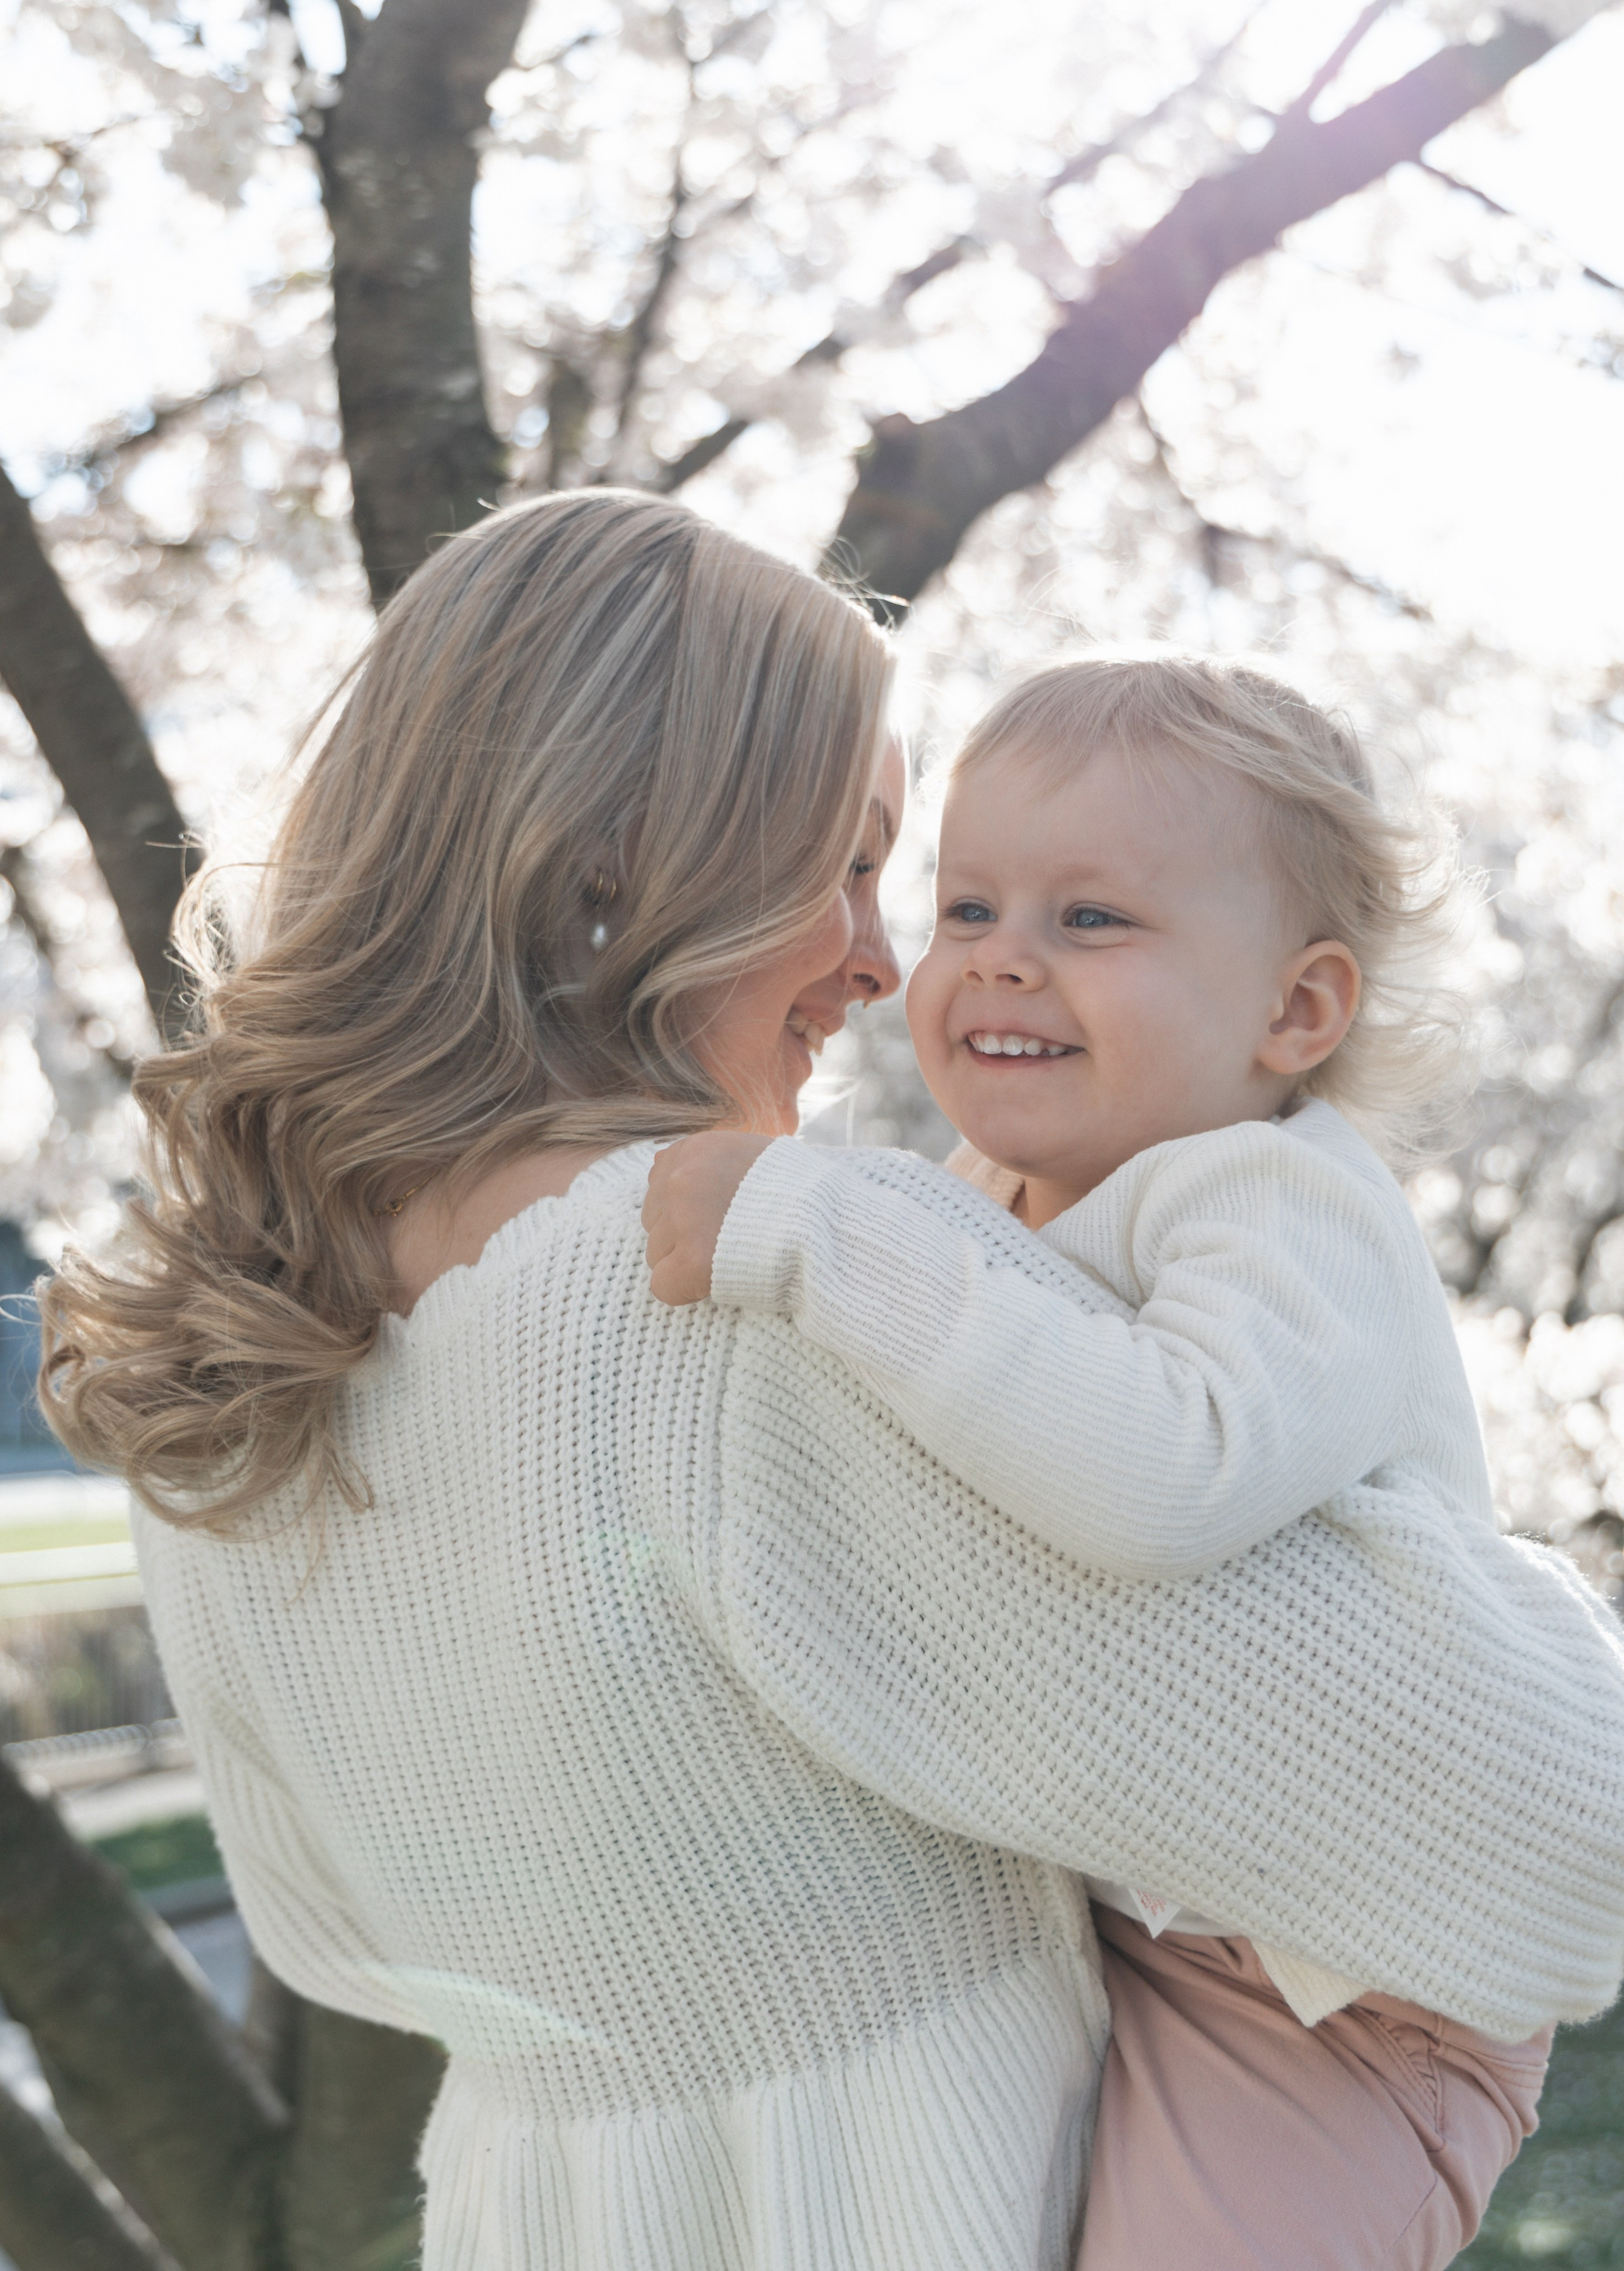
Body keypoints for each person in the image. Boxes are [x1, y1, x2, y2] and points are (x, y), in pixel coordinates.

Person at [39, 501, 1624, 2271]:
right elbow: (1552, 1823)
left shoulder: (219, 1389)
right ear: (621, 867)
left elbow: (341, 1939)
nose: (885, 964)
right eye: (853, 869)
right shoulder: (760, 1290)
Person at [641, 653, 1624, 2268]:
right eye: (966, 909)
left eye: (1087, 920)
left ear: (1294, 1008)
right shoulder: (981, 1197)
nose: (1000, 964)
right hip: (1157, 1908)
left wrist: (814, 1226)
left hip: (1358, 1994)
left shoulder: (1279, 1198)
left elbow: (1160, 1471)